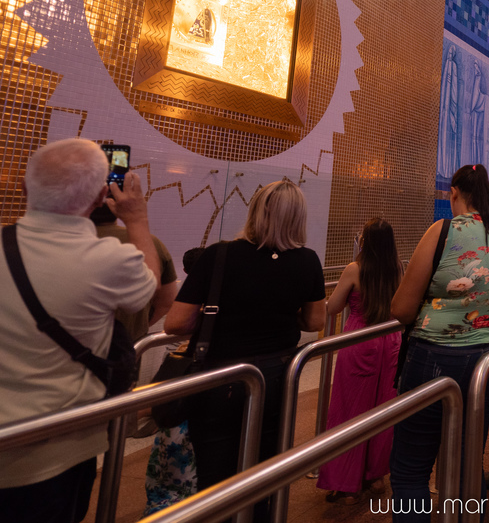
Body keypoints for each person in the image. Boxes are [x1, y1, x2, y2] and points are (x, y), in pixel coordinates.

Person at [0, 139, 160, 523]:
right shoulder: (108, 260)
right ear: (103, 195)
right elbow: (148, 286)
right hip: (54, 451)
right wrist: (136, 219)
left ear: (23, 187)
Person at [165, 180, 326, 522]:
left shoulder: (219, 255)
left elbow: (176, 323)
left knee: (216, 475)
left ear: (255, 212)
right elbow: (314, 321)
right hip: (277, 377)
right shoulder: (307, 261)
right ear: (299, 218)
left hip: (220, 377)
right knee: (265, 471)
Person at [388, 164, 489, 522]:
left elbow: (401, 308)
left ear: (455, 193)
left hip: (434, 359)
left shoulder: (443, 230)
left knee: (411, 468)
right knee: (466, 460)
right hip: (488, 359)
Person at [318, 217, 403, 503]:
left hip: (359, 341)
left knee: (349, 410)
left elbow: (333, 307)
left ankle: (343, 479)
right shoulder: (397, 267)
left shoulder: (355, 268)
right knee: (383, 408)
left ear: (365, 241)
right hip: (390, 340)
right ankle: (376, 475)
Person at [90, 203, 178, 341]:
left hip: (63, 347)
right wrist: (137, 329)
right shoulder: (151, 243)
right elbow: (166, 301)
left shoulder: (65, 242)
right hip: (127, 347)